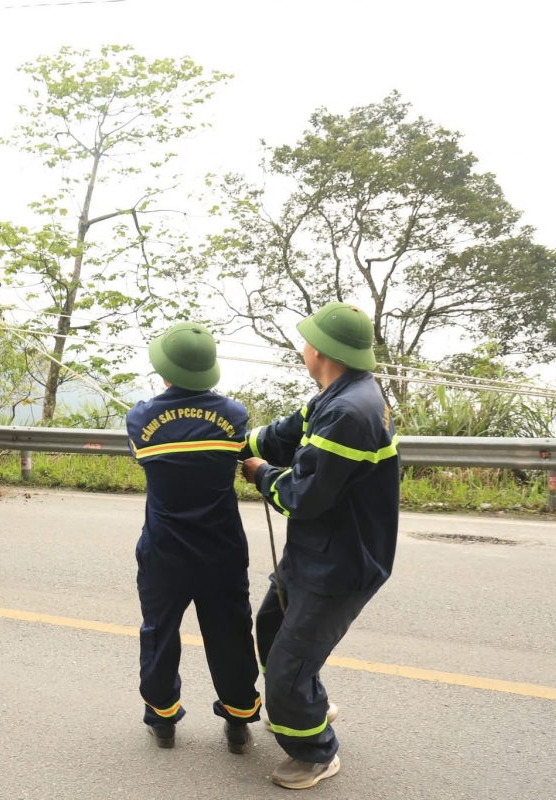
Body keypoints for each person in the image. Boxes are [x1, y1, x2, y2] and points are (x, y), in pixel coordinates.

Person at [239, 302, 400, 790]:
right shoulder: (338, 394)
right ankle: (308, 700)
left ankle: (316, 752)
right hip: (315, 552)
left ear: (321, 351)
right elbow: (286, 433)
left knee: (285, 673)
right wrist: (240, 443)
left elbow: (303, 497)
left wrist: (260, 473)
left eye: (306, 341)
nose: (302, 348)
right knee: (271, 625)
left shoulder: (350, 411)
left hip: (341, 564)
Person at [125, 322, 262, 754]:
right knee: (231, 634)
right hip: (222, 549)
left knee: (160, 633)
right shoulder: (235, 416)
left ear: (163, 368)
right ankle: (239, 720)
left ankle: (163, 720)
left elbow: (146, 455)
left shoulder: (141, 419)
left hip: (165, 551)